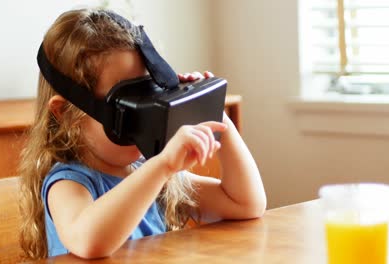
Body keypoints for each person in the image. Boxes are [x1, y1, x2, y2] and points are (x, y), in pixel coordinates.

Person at [18, 8, 266, 260]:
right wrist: (161, 168)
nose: (147, 115)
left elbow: (245, 204)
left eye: (150, 94)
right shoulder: (69, 182)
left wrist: (212, 113)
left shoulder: (150, 173)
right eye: (129, 104)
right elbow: (88, 241)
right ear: (65, 114)